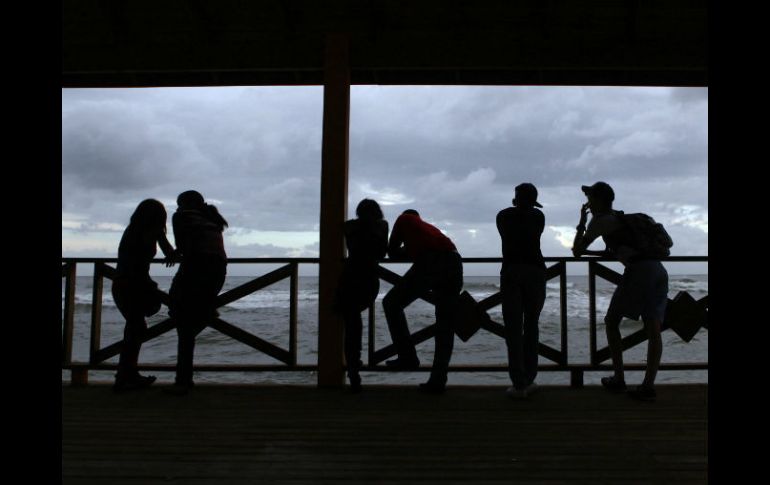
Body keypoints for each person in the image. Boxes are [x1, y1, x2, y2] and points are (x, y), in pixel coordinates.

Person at [572, 181, 668, 402]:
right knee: (653, 328)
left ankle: (619, 378)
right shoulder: (622, 218)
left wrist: (581, 221)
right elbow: (619, 249)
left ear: (598, 200)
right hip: (658, 271)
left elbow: (577, 250)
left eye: (590, 199)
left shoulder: (599, 221)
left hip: (639, 272)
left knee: (612, 320)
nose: (587, 203)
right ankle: (647, 386)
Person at [383, 209, 463, 394]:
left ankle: (407, 356)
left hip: (432, 261)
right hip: (454, 261)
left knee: (391, 303)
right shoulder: (428, 230)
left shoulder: (404, 219)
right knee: (445, 325)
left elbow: (392, 251)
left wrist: (402, 250)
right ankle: (438, 379)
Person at [167, 190, 228, 395]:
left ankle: (183, 381)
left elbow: (183, 246)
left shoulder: (181, 216)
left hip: (196, 269)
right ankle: (207, 311)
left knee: (179, 317)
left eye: (179, 204)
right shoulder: (211, 219)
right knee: (188, 319)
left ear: (185, 205)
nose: (176, 208)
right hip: (218, 271)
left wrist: (172, 250)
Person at [112, 199, 177, 392]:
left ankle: (126, 375)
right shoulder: (151, 232)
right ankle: (126, 376)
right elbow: (169, 253)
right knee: (136, 329)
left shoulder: (131, 231)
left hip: (123, 284)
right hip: (134, 285)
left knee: (134, 329)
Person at [496, 183, 546, 399]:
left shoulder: (503, 216)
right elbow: (532, 214)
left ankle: (518, 383)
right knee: (532, 325)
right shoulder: (538, 217)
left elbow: (510, 222)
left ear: (515, 199)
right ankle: (529, 378)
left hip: (511, 270)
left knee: (513, 328)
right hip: (535, 270)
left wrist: (517, 204)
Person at [335, 199, 389, 392]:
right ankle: (356, 365)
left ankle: (352, 368)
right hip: (368, 278)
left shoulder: (348, 226)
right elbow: (382, 253)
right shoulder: (381, 226)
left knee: (352, 325)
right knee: (356, 320)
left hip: (349, 277)